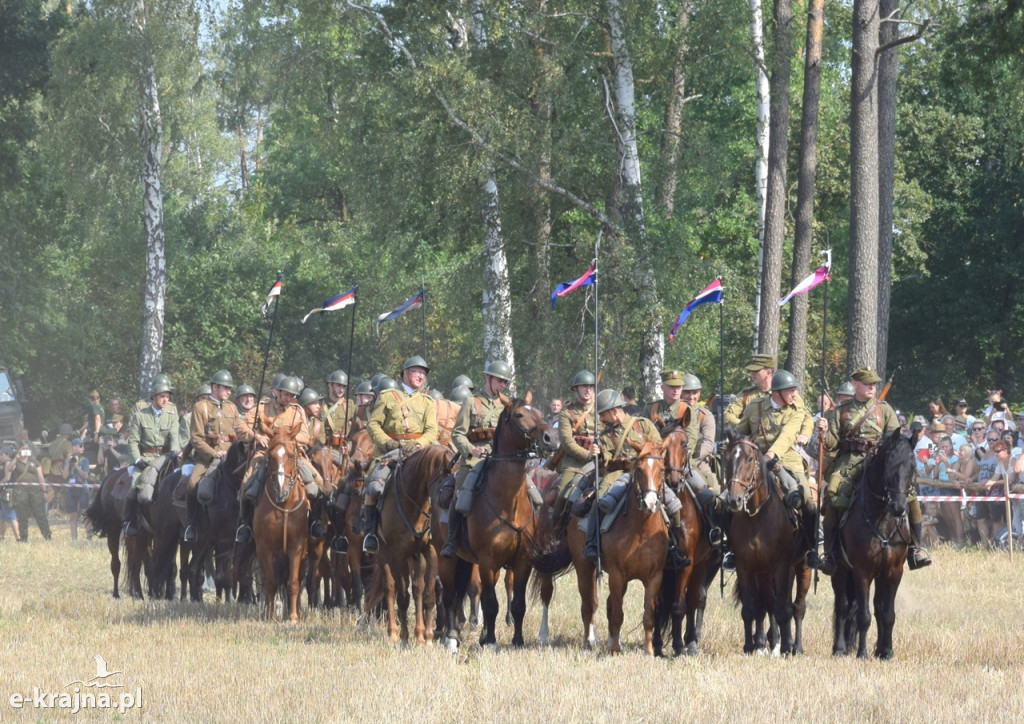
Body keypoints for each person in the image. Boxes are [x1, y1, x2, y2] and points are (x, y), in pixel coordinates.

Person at [820, 367, 930, 573]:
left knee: (911, 497)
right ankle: (830, 554)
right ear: (855, 384)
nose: (872, 387)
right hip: (849, 462)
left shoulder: (884, 409)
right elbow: (832, 443)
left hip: (878, 462)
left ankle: (916, 550)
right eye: (867, 383)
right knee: (835, 497)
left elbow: (894, 439)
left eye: (874, 383)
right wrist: (824, 432)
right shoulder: (841, 410)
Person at [581, 389, 689, 568]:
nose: (601, 419)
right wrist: (597, 454)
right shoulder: (605, 435)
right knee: (599, 500)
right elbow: (606, 461)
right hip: (617, 474)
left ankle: (675, 548)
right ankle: (593, 544)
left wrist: (644, 456)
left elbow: (658, 447)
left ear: (614, 411)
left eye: (602, 414)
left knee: (675, 505)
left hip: (647, 472)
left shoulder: (643, 424)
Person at [734, 370, 820, 568]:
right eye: (791, 391)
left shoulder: (796, 411)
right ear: (777, 393)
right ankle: (730, 548)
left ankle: (812, 546)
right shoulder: (755, 407)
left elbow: (787, 436)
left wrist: (771, 455)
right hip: (754, 461)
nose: (794, 394)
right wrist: (734, 444)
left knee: (807, 497)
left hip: (787, 460)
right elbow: (741, 431)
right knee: (728, 496)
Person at [360, 356, 439, 554]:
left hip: (419, 452)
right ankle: (371, 533)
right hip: (391, 450)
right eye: (416, 371)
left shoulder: (427, 402)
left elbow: (431, 430)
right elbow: (373, 424)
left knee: (442, 484)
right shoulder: (388, 396)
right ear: (405, 373)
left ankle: (439, 533)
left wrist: (418, 443)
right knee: (375, 485)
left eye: (423, 373)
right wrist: (387, 442)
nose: (420, 376)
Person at [441, 360, 512, 558]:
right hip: (475, 460)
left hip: (502, 461)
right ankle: (452, 541)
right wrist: (471, 450)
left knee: (532, 492)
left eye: (505, 382)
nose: (502, 385)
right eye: (499, 381)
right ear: (488, 378)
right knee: (460, 493)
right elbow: (457, 434)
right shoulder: (471, 402)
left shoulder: (507, 405)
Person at [234, 375, 312, 543]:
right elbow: (240, 425)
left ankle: (314, 524)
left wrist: (284, 442)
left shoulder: (297, 411)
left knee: (317, 485)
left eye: (293, 396)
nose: (290, 399)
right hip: (265, 454)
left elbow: (305, 436)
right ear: (278, 392)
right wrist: (255, 435)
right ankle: (245, 525)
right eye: (287, 395)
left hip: (291, 455)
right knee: (246, 485)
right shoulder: (262, 408)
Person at [182, 371, 238, 542]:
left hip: (230, 456)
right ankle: (192, 524)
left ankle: (245, 524)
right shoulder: (201, 408)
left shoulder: (232, 407)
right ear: (215, 387)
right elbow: (196, 438)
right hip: (207, 458)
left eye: (230, 389)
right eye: (225, 388)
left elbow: (238, 432)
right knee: (192, 484)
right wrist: (213, 453)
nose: (229, 392)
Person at [124, 378, 181, 536]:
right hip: (145, 458)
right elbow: (133, 441)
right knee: (133, 488)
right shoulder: (140, 416)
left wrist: (175, 454)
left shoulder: (171, 415)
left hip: (165, 458)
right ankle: (129, 521)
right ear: (154, 397)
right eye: (162, 396)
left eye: (167, 397)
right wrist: (137, 460)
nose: (166, 400)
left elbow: (174, 440)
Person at [550, 371, 598, 521]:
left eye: (590, 386)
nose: (588, 390)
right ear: (576, 389)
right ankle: (555, 531)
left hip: (599, 460)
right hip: (574, 463)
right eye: (584, 386)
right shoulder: (567, 411)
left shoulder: (600, 409)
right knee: (562, 494)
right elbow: (567, 442)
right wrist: (588, 454)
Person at [10, 441, 51, 541]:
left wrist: (44, 491)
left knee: (40, 514)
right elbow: (9, 469)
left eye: (27, 449)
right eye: (23, 449)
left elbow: (40, 477)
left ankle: (47, 536)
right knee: (22, 515)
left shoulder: (34, 461)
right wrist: (16, 457)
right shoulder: (16, 461)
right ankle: (24, 538)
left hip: (35, 491)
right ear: (19, 450)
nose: (26, 451)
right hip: (21, 492)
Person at [63, 438, 91, 541]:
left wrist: (76, 465)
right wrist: (68, 463)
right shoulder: (68, 460)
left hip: (83, 489)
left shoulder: (85, 460)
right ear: (74, 447)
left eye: (83, 446)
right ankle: (74, 539)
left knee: (85, 514)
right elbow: (65, 476)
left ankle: (89, 538)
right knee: (73, 516)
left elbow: (85, 476)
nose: (82, 448)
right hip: (71, 489)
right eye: (80, 446)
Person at [322, 370, 355, 447]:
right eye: (338, 385)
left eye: (344, 387)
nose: (342, 390)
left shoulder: (349, 405)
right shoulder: (320, 404)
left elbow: (355, 429)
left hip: (343, 449)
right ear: (330, 385)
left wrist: (349, 445)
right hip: (324, 448)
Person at [0, 446, 21, 542]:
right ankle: (1, 536)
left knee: (11, 514)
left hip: (7, 492)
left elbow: (7, 478)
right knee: (2, 516)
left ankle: (18, 538)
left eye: (2, 454)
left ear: (8, 456)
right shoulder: (7, 463)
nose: (0, 456)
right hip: (7, 491)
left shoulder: (8, 463)